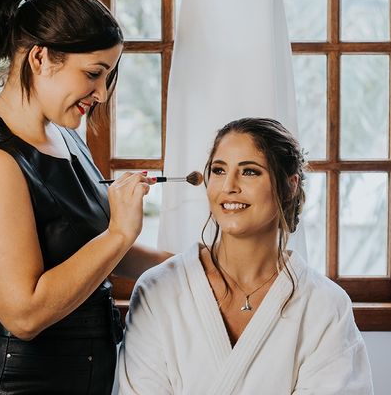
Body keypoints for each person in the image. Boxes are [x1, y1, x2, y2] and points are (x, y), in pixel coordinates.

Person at [0, 0, 168, 395]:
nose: (102, 93)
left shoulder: (64, 136)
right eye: (93, 73)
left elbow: (87, 248)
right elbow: (23, 314)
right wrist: (120, 232)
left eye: (108, 76)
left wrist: (193, 264)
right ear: (41, 59)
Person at [117, 118, 374, 394]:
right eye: (218, 170)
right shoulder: (157, 291)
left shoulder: (324, 306)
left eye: (250, 172)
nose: (229, 186)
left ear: (290, 186)